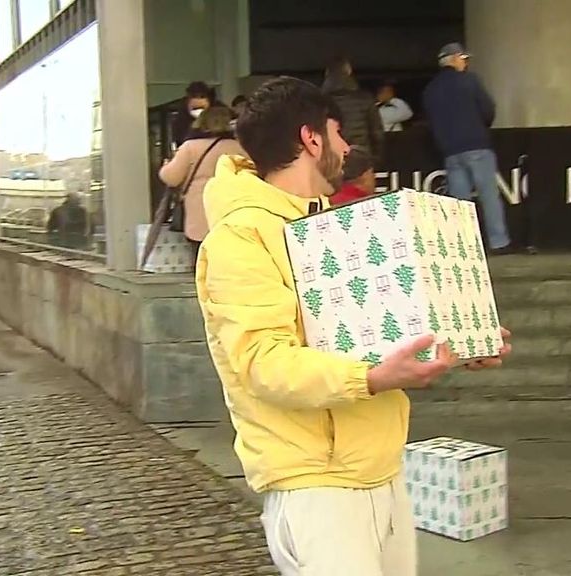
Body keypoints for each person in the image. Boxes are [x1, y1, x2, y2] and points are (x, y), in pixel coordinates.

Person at [197, 76, 511, 576]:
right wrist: (377, 378)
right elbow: (264, 364)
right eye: (339, 133)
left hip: (382, 472)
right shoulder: (239, 238)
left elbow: (373, 337)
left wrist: (458, 338)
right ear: (311, 138)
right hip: (318, 490)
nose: (348, 148)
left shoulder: (328, 224)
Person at [423, 42, 514, 255]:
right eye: (463, 58)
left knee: (459, 202)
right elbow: (488, 109)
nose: (466, 62)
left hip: (450, 151)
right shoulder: (469, 81)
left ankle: (465, 245)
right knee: (488, 195)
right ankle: (498, 242)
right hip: (476, 145)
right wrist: (480, 127)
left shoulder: (430, 89)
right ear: (454, 59)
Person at [160, 105, 246, 257]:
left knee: (201, 254)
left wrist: (166, 165)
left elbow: (171, 178)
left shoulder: (190, 147)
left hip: (200, 207)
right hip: (232, 206)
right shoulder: (239, 147)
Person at [322, 56, 385, 161]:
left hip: (333, 159)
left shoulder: (320, 101)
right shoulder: (365, 98)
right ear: (349, 71)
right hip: (362, 156)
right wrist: (375, 157)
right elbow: (377, 133)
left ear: (327, 74)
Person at [173, 81, 215, 146]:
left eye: (202, 96)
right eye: (194, 96)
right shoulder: (181, 119)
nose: (198, 100)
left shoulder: (217, 115)